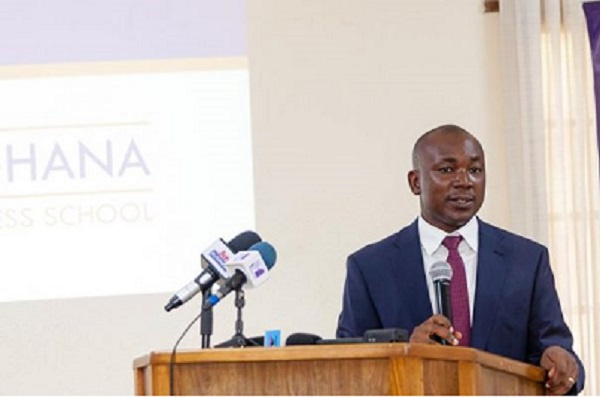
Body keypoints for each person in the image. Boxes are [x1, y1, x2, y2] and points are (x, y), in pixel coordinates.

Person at [336, 124, 585, 395]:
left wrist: (563, 366)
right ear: (415, 182)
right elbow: (348, 373)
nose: (465, 181)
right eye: (447, 170)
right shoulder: (371, 267)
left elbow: (558, 354)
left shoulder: (527, 260)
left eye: (475, 170)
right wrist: (405, 351)